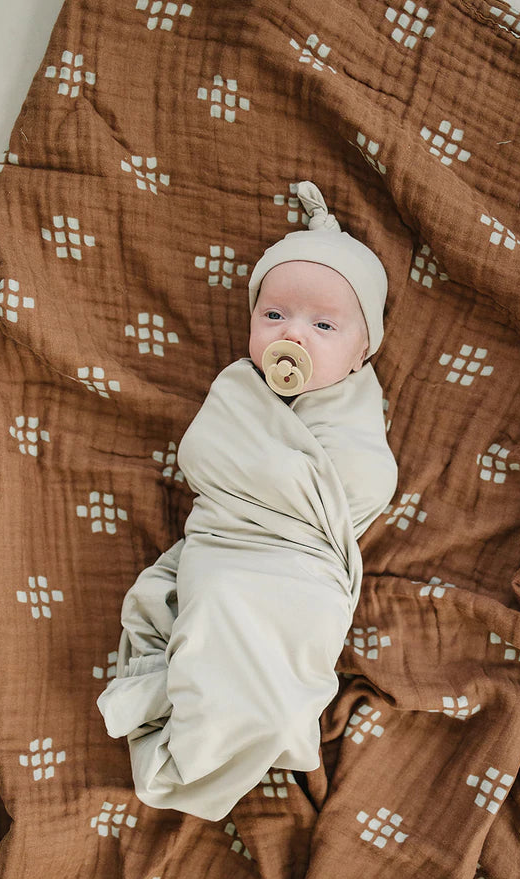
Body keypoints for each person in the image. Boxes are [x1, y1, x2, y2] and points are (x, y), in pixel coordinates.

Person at [97, 181, 398, 820]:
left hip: (305, 568)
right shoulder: (239, 390)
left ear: (360, 351)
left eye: (323, 325)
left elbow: (368, 483)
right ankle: (207, 725)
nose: (295, 335)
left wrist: (302, 488)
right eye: (274, 316)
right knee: (220, 607)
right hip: (231, 547)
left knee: (282, 645)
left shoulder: (355, 409)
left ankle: (242, 724)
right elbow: (207, 455)